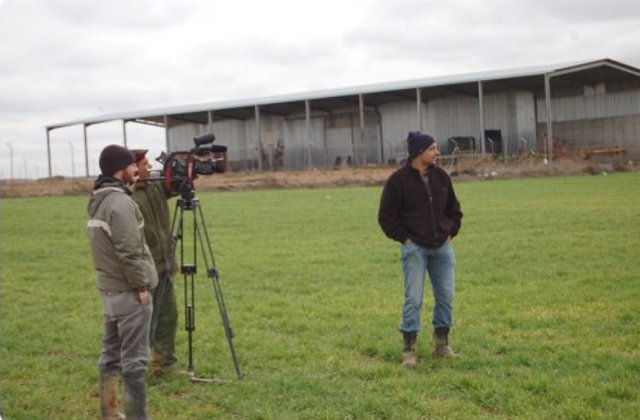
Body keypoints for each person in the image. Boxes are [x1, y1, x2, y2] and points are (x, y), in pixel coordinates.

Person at [378, 131, 463, 368]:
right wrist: (405, 239)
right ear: (418, 152)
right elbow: (386, 217)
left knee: (446, 297)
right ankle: (409, 351)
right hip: (415, 250)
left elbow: (455, 210)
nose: (437, 152)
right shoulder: (397, 181)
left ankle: (442, 346)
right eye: (432, 148)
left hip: (442, 250)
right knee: (413, 299)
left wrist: (450, 232)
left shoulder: (442, 178)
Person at [87, 144, 158, 419]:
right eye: (131, 165)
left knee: (110, 356)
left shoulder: (98, 200)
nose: (135, 169)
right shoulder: (121, 203)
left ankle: (109, 412)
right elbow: (130, 251)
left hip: (109, 291)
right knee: (135, 362)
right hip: (128, 293)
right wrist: (141, 287)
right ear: (120, 169)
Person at [130, 148, 179, 376]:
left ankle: (164, 364)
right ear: (132, 168)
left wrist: (185, 170)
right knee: (141, 321)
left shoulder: (154, 186)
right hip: (143, 268)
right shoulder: (127, 196)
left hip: (164, 263)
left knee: (168, 316)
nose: (149, 167)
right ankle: (132, 366)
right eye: (144, 164)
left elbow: (175, 186)